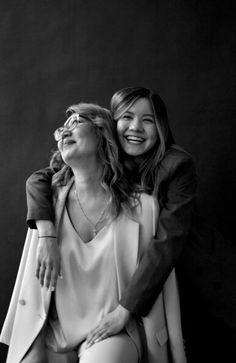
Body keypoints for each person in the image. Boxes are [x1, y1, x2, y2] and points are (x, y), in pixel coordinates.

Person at [10, 87, 236, 361]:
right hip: (144, 285)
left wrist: (124, 310)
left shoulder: (175, 166)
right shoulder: (101, 163)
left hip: (197, 274)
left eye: (148, 120)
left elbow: (166, 244)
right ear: (112, 127)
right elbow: (40, 177)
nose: (135, 127)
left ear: (161, 127)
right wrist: (46, 233)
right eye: (126, 117)